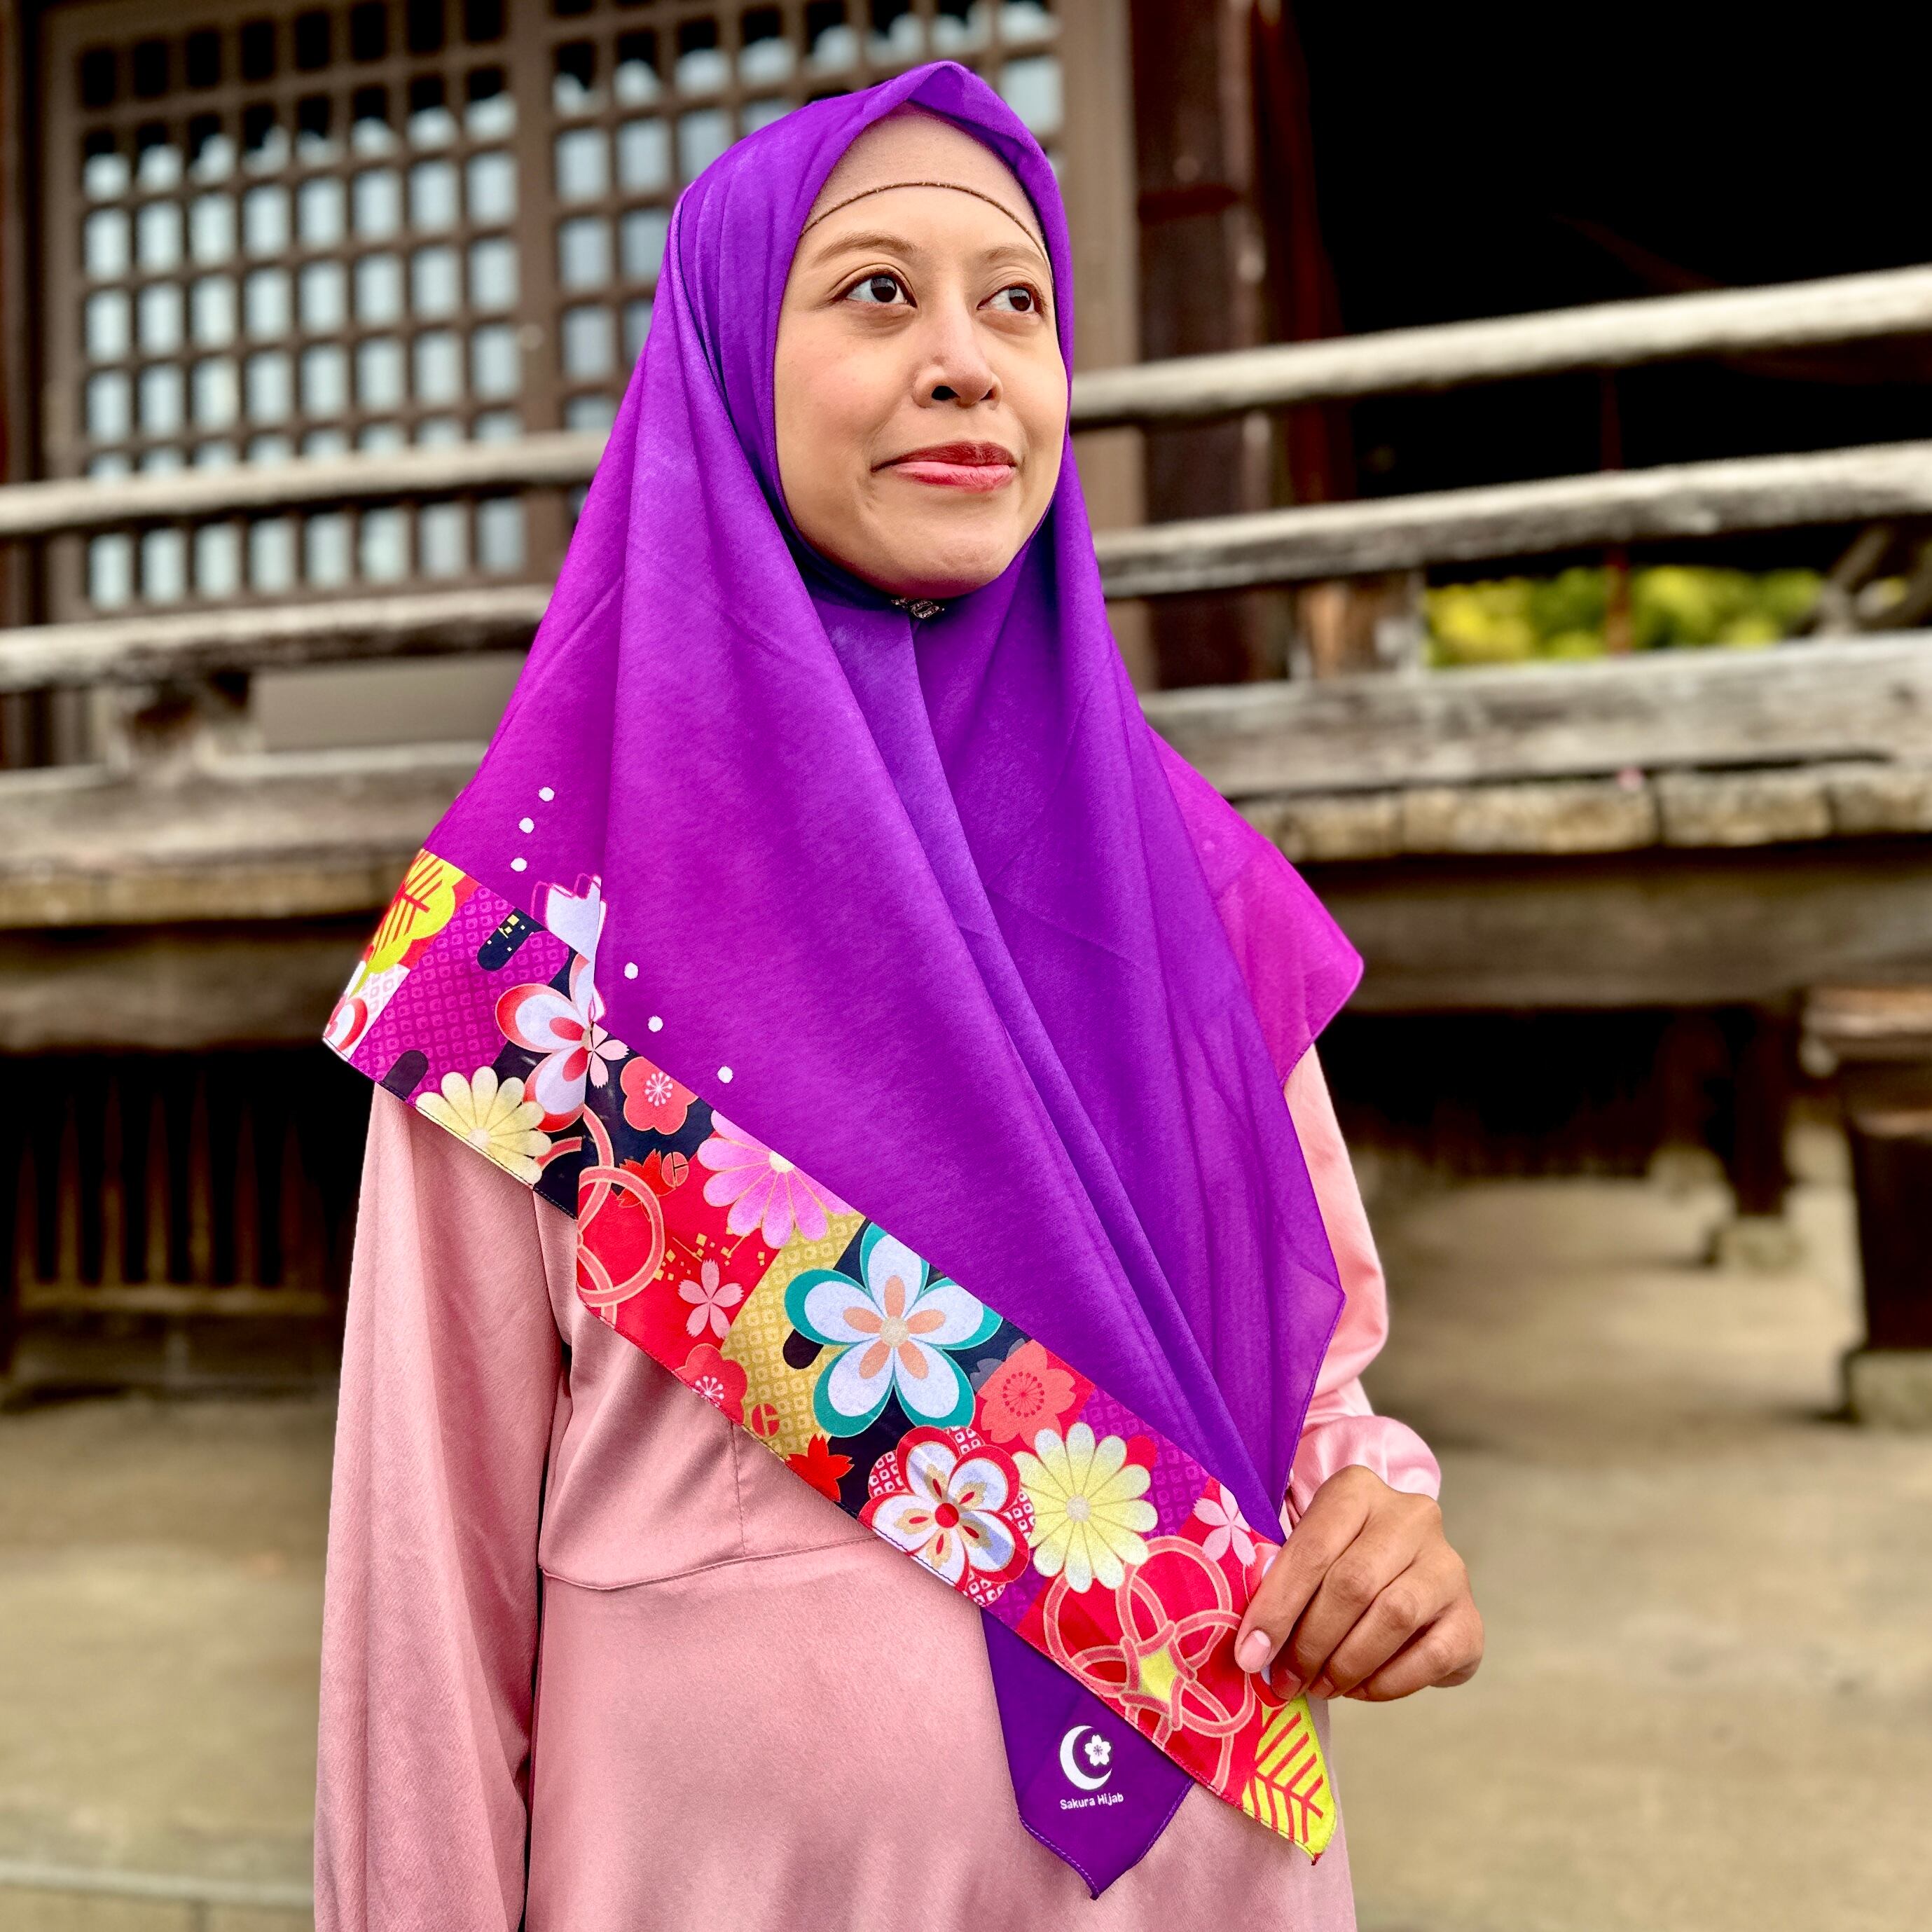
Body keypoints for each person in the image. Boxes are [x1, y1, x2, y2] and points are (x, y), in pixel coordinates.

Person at [315, 61, 1481, 1932]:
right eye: (876, 291)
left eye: (1016, 301)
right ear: (723, 361)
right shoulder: (535, 943)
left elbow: (1316, 1395)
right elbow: (424, 1611)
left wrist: (1379, 1517)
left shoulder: (1175, 888)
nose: (966, 362)